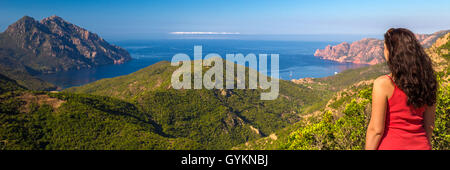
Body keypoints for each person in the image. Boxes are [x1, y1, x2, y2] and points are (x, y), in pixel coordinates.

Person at [365, 28, 437, 150]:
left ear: (393, 52)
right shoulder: (428, 81)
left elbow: (376, 130)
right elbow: (429, 125)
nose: (384, 51)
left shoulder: (383, 84)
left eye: (385, 48)